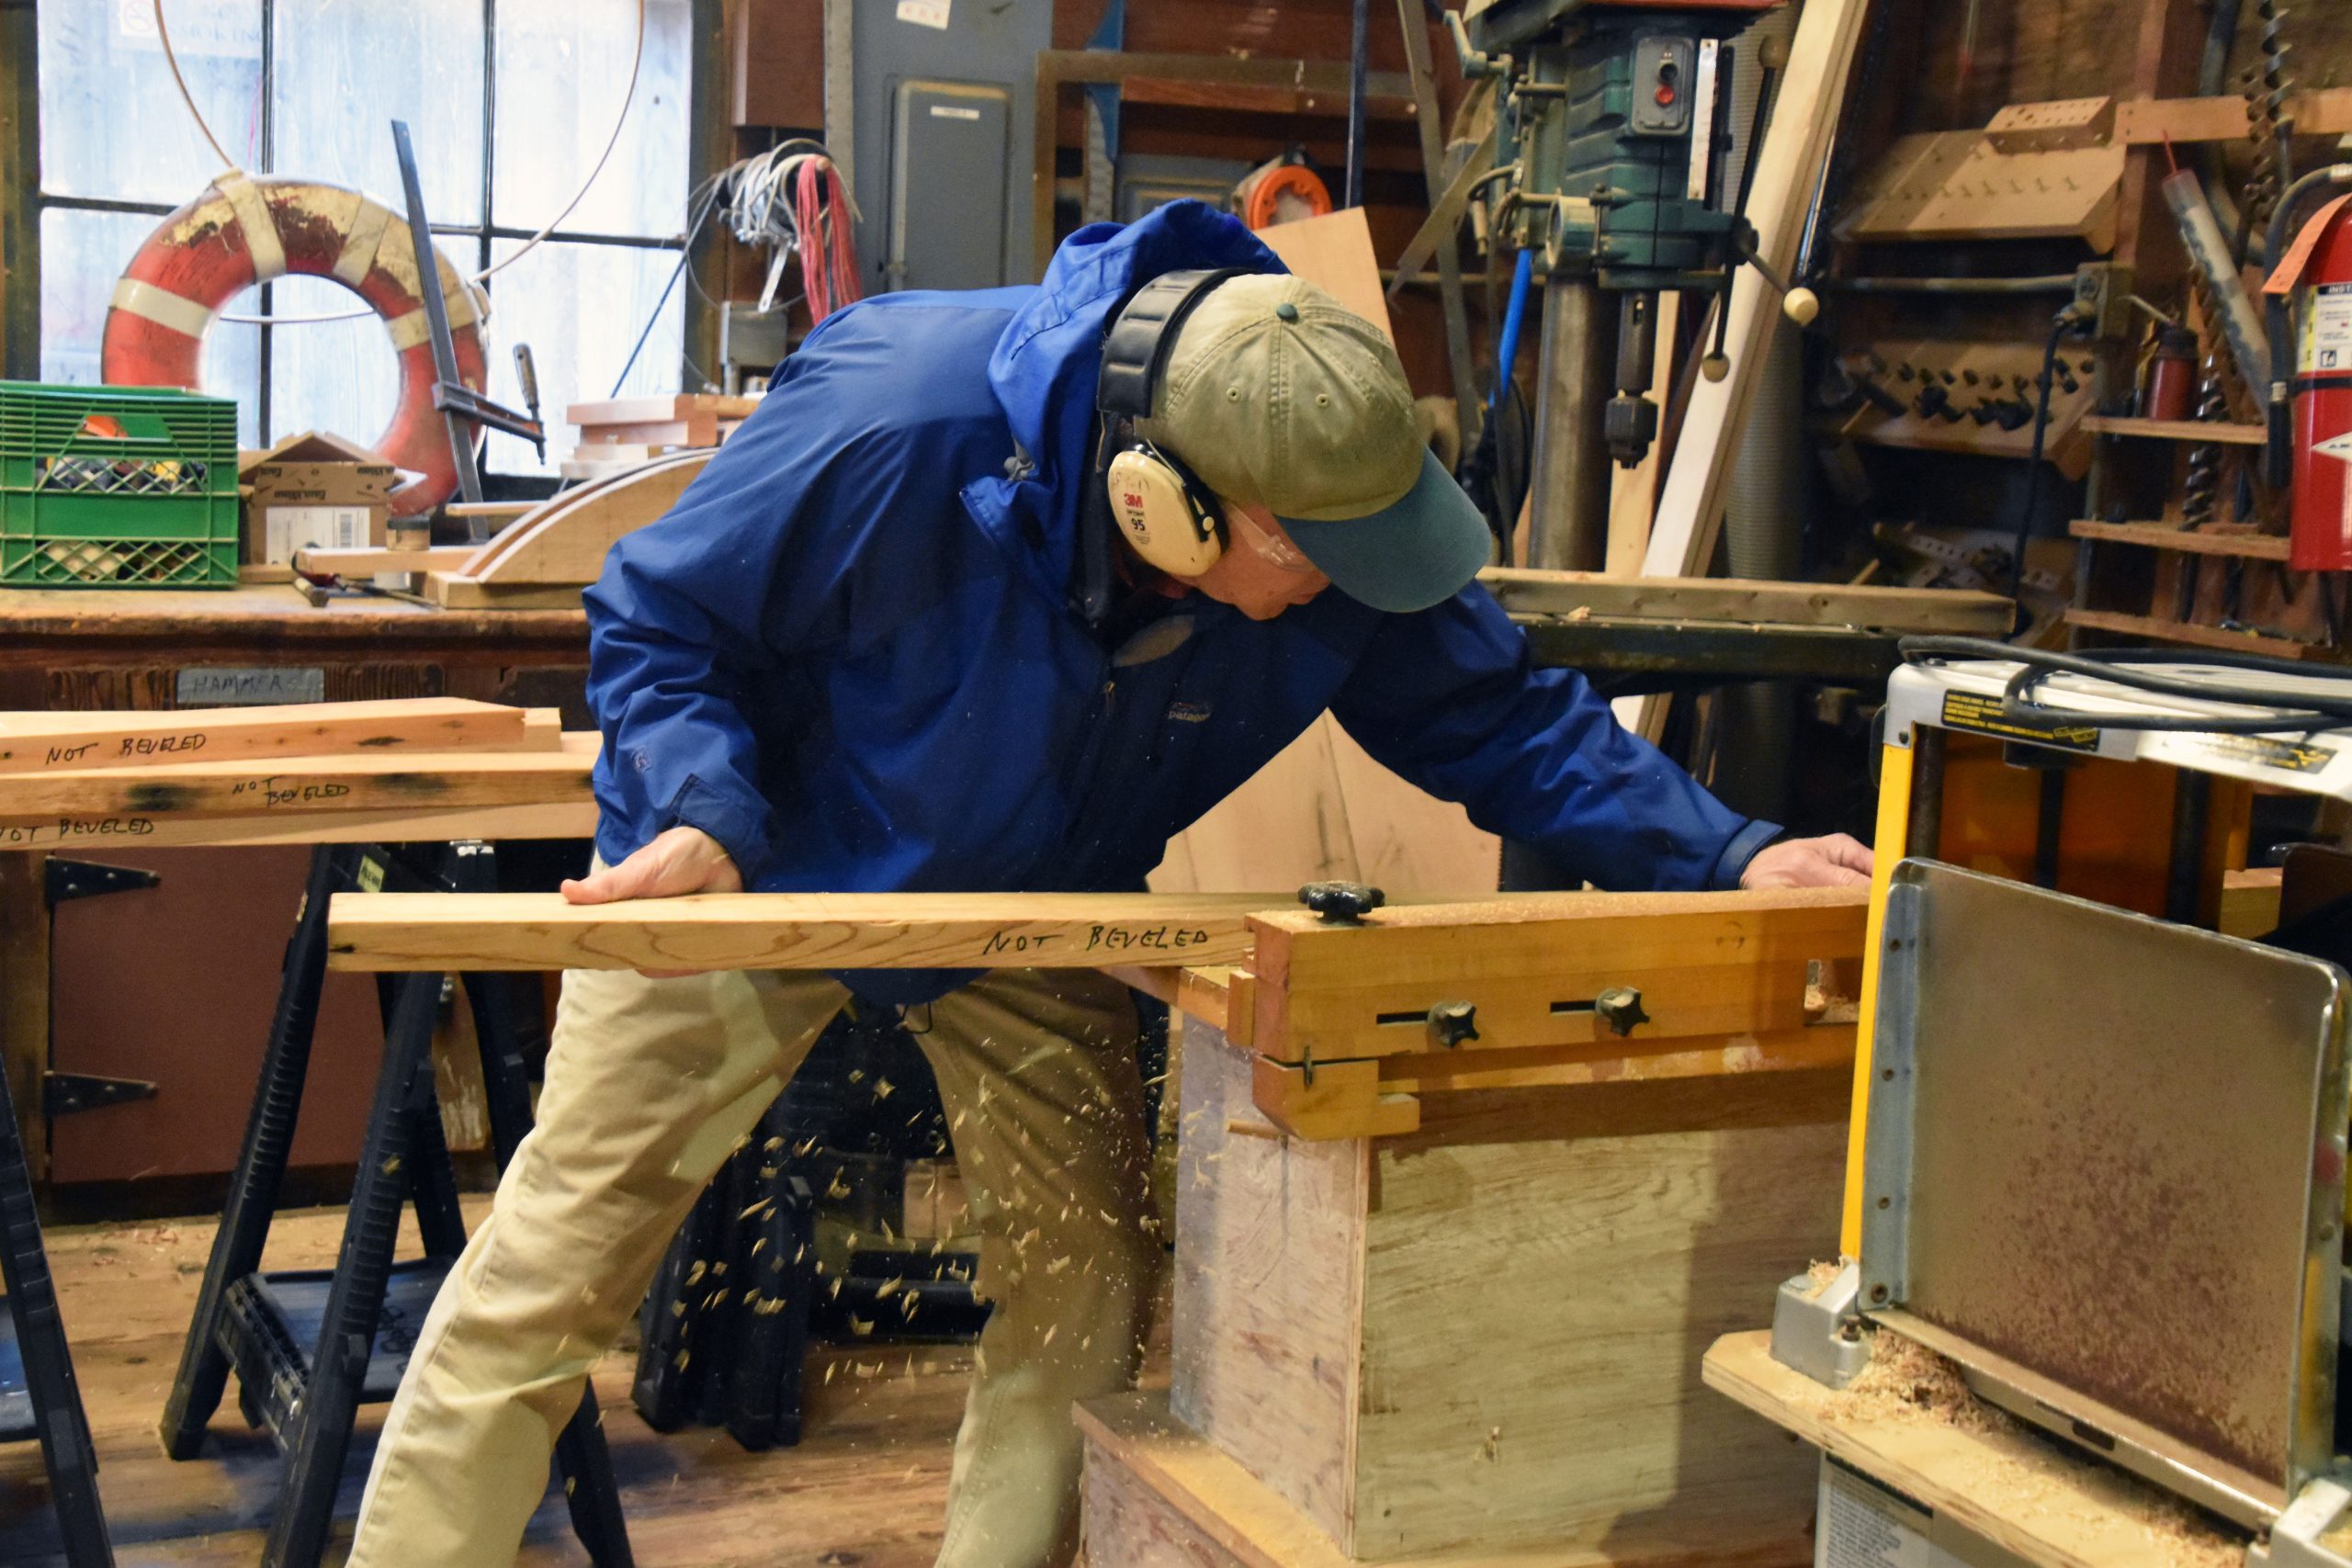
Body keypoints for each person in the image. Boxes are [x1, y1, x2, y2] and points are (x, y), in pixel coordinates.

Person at [345, 199, 1871, 1568]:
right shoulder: (899, 423)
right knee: (551, 1281)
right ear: (1170, 506)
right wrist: (701, 808)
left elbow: (1500, 717)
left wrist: (1728, 852)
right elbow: (662, 618)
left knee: (1081, 1290)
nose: (1350, 593)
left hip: (1039, 894)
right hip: (754, 867)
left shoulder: (1320, 501)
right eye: (1318, 563)